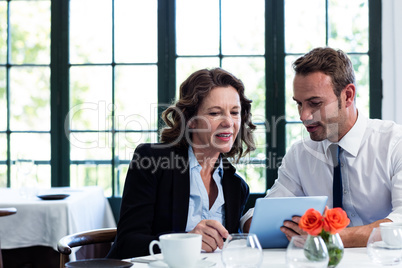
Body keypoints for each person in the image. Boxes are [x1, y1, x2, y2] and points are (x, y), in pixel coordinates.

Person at [241, 47, 402, 247]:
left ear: (348, 95)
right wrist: (252, 223)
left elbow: (401, 223)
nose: (303, 116)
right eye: (299, 104)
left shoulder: (395, 144)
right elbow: (260, 215)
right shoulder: (300, 155)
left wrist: (331, 237)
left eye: (315, 103)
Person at [107, 68, 256, 259]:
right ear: (190, 120)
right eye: (214, 113)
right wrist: (187, 241)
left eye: (235, 112)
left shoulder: (237, 186)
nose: (228, 122)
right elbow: (128, 243)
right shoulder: (151, 161)